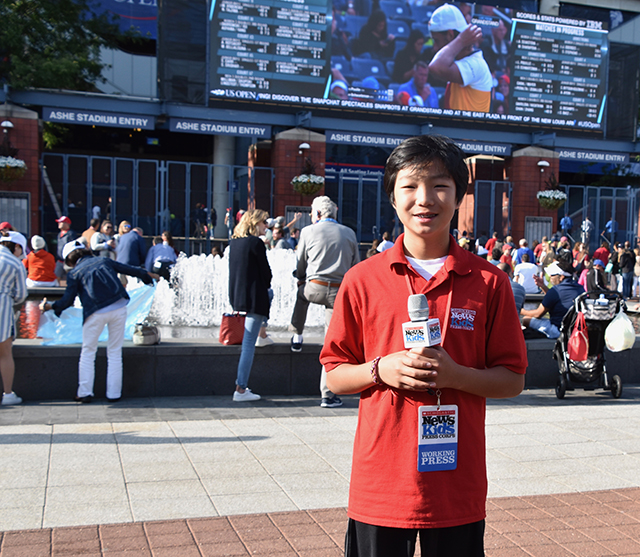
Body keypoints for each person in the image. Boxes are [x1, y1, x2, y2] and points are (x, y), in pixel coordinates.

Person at [320, 134, 526, 556]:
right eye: (410, 186)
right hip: (381, 485)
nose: (424, 199)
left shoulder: (489, 282)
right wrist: (382, 369)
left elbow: (512, 380)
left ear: (458, 197)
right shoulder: (363, 279)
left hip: (457, 487)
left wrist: (455, 375)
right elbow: (335, 375)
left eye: (439, 186)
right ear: (393, 199)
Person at [39, 240, 156, 403]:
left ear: (70, 260)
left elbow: (67, 301)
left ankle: (85, 393)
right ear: (85, 251)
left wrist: (51, 307)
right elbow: (131, 270)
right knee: (115, 352)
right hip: (119, 306)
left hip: (95, 312)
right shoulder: (103, 260)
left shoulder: (74, 273)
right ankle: (114, 394)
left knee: (88, 352)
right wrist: (147, 279)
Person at [289, 196, 359, 408]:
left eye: (312, 213)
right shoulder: (349, 233)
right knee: (331, 341)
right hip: (338, 292)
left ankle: (297, 335)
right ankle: (327, 395)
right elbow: (356, 266)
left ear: (318, 214)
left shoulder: (309, 231)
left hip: (314, 288)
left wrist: (300, 276)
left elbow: (301, 261)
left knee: (301, 296)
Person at [228, 210, 272, 402]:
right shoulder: (256, 243)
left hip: (238, 298)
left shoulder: (234, 242)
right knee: (248, 345)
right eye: (264, 222)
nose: (267, 226)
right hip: (255, 299)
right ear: (255, 223)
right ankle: (241, 388)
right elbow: (266, 274)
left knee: (248, 341)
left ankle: (263, 332)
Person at [428, 3, 493, 113]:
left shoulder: (476, 64)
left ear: (450, 35)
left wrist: (461, 40)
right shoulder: (458, 63)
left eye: (437, 40)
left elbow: (435, 67)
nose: (435, 47)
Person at [520, 261, 584, 339]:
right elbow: (556, 297)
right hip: (576, 330)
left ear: (561, 277)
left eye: (553, 275)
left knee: (526, 320)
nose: (550, 276)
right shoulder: (581, 288)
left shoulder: (555, 290)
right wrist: (543, 286)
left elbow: (538, 314)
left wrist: (520, 311)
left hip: (558, 330)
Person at [0, 235, 28, 405]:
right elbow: (21, 295)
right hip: (2, 306)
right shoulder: (15, 263)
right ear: (16, 247)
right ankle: (8, 394)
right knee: (4, 353)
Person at [54, 216, 78, 281]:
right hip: (60, 260)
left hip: (68, 261)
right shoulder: (59, 234)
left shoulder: (71, 234)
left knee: (71, 278)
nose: (59, 224)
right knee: (56, 277)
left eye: (60, 222)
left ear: (66, 223)